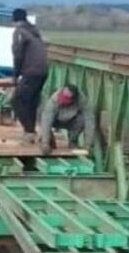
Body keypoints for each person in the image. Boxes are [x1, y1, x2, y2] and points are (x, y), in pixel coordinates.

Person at [10, 8, 48, 143]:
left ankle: (29, 132)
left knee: (16, 101)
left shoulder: (19, 32)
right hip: (43, 71)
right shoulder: (34, 31)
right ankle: (30, 131)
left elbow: (18, 55)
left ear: (14, 20)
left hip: (31, 71)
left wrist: (15, 74)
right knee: (31, 102)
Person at [39, 84, 96, 155]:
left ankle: (73, 140)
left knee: (82, 119)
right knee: (42, 114)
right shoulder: (53, 101)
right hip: (55, 120)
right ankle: (48, 139)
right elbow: (46, 121)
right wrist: (45, 143)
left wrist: (88, 144)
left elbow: (89, 120)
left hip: (71, 119)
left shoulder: (82, 100)